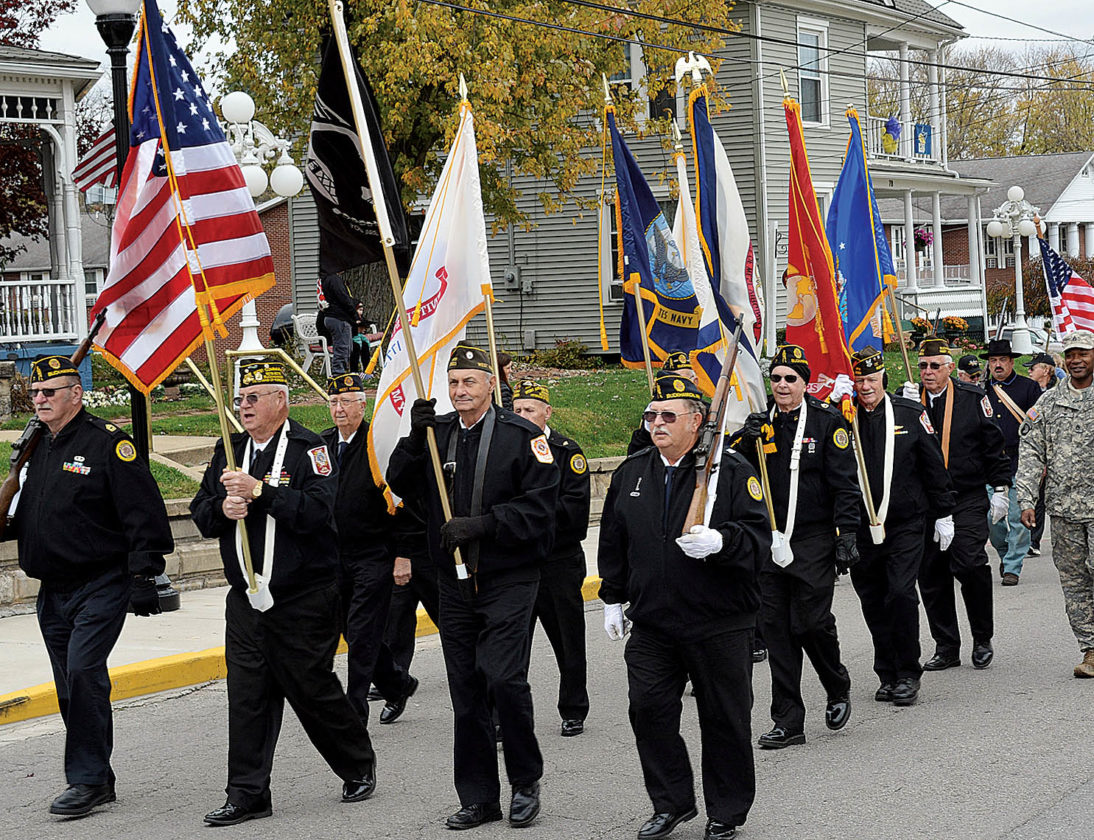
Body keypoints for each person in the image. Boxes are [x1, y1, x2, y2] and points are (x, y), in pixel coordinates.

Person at [190, 362, 377, 827]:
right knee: (248, 695)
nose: (244, 407)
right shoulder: (228, 448)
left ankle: (356, 763)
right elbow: (200, 511)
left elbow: (317, 512)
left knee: (310, 687)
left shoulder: (309, 449)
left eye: (254, 398)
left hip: (304, 596)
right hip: (247, 599)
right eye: (240, 398)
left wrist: (261, 492)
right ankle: (248, 793)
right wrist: (222, 506)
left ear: (280, 400)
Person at [387, 343, 559, 830]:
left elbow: (542, 510)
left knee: (504, 678)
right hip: (452, 581)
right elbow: (400, 483)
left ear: (490, 386)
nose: (460, 391)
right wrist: (413, 437)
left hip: (508, 577)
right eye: (454, 383)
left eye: (470, 382)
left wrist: (482, 525)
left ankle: (525, 781)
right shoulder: (435, 433)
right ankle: (480, 796)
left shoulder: (522, 437)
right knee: (465, 689)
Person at [599, 373, 770, 840]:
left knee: (724, 720)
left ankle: (726, 811)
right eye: (651, 415)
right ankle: (671, 803)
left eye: (668, 416)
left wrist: (722, 540)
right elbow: (615, 540)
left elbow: (759, 540)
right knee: (648, 710)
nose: (656, 423)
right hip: (654, 622)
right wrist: (613, 596)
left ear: (696, 422)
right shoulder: (632, 471)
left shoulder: (730, 471)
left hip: (719, 621)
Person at [8, 355, 173, 818]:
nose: (39, 399)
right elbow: (28, 512)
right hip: (52, 590)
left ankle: (86, 780)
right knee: (70, 685)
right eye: (35, 393)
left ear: (75, 395)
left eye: (49, 392)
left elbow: (143, 511)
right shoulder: (37, 445)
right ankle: (99, 776)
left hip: (101, 582)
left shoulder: (107, 445)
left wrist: (144, 575)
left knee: (83, 672)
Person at [731, 345, 859, 750]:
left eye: (791, 378)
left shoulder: (826, 422)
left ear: (805, 384)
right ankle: (788, 721)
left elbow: (844, 483)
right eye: (777, 378)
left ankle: (836, 684)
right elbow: (731, 471)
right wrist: (744, 441)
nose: (783, 385)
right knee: (776, 629)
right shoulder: (760, 426)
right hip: (769, 542)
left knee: (810, 622)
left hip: (813, 539)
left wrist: (848, 534)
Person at [848, 348, 955, 708]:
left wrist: (944, 512)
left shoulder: (910, 413)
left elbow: (933, 465)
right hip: (862, 525)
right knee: (873, 599)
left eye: (872, 380)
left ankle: (909, 673)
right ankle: (887, 672)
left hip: (905, 522)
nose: (866, 387)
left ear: (884, 380)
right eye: (859, 380)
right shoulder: (842, 419)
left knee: (900, 592)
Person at [900, 338, 1010, 673]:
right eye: (923, 366)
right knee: (931, 575)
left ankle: (982, 638)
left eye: (935, 366)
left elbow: (994, 445)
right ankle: (946, 646)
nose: (928, 372)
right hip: (925, 503)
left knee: (970, 562)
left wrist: (1002, 488)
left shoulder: (971, 399)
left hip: (965, 495)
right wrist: (902, 410)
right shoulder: (907, 402)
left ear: (950, 367)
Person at [319, 373, 418, 726]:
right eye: (333, 402)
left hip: (374, 554)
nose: (339, 409)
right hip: (334, 557)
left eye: (347, 402)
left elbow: (403, 502)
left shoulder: (378, 443)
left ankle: (355, 708)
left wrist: (404, 554)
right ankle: (398, 682)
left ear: (363, 405)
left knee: (362, 633)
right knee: (350, 629)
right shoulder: (323, 446)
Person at [512, 380, 592, 738]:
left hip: (557, 561)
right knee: (511, 646)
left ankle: (574, 708)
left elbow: (573, 514)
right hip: (517, 564)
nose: (523, 416)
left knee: (568, 641)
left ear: (547, 412)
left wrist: (522, 519)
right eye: (517, 410)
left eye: (530, 409)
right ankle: (507, 715)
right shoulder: (506, 449)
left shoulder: (566, 452)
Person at [1018, 329, 1094, 678]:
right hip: (1064, 510)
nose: (1077, 360)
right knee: (1075, 582)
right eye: (1072, 354)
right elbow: (1031, 451)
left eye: (1084, 353)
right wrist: (1026, 497)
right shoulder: (1048, 403)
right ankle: (1091, 650)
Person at [982, 339, 1042, 584]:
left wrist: (1041, 461)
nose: (997, 365)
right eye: (993, 360)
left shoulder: (1028, 388)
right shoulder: (981, 390)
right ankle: (1006, 554)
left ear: (1011, 361)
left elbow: (1039, 427)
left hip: (1021, 459)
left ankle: (1012, 567)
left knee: (1019, 517)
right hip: (990, 463)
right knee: (992, 519)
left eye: (1002, 360)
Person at [627, 351, 696, 457]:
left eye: (682, 381)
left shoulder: (709, 411)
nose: (658, 422)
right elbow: (637, 450)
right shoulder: (652, 410)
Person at [1025, 352, 1057, 555]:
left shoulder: (1058, 392)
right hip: (1035, 451)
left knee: (1047, 499)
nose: (1029, 370)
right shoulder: (1030, 392)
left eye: (1033, 367)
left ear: (1045, 370)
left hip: (1056, 456)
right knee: (1035, 498)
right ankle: (1033, 541)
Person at [320, 271, 360, 375]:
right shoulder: (334, 279)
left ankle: (342, 372)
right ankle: (338, 374)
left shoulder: (326, 279)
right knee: (342, 347)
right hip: (339, 318)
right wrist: (354, 314)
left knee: (347, 347)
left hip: (332, 317)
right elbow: (343, 298)